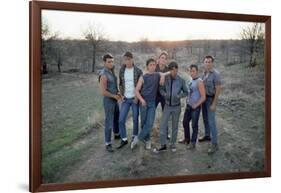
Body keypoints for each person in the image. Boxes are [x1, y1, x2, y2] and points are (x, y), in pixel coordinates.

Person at [131, 58, 170, 150]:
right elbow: (136, 91)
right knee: (144, 123)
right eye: (150, 65)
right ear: (147, 66)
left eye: (154, 65)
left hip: (152, 103)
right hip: (143, 102)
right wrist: (141, 100)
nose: (152, 67)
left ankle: (137, 138)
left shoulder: (157, 75)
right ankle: (147, 140)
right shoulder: (143, 77)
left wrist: (163, 76)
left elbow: (167, 73)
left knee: (150, 123)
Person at [153, 61, 188, 153]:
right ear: (169, 70)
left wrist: (179, 96)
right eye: (172, 71)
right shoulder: (166, 79)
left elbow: (186, 92)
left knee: (175, 126)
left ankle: (173, 144)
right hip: (167, 106)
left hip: (177, 107)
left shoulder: (181, 80)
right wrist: (165, 94)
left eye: (176, 71)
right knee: (163, 125)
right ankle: (163, 145)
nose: (174, 73)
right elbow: (161, 89)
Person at [117, 52, 143, 149]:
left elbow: (141, 86)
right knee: (121, 120)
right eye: (125, 59)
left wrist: (137, 97)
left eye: (128, 59)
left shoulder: (138, 71)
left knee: (135, 119)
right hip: (126, 99)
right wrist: (122, 95)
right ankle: (124, 139)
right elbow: (120, 83)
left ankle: (134, 137)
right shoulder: (122, 70)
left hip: (134, 99)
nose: (127, 61)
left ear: (132, 59)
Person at [198, 55, 222, 154]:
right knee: (205, 119)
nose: (207, 63)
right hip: (204, 99)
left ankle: (215, 144)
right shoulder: (204, 74)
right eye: (206, 61)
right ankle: (207, 136)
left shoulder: (216, 74)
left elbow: (218, 89)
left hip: (211, 100)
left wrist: (214, 103)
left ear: (212, 63)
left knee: (211, 121)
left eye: (209, 61)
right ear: (204, 63)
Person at [98, 53, 121, 152]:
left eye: (112, 61)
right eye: (109, 62)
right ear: (104, 62)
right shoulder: (103, 74)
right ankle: (108, 143)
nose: (111, 63)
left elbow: (114, 85)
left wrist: (118, 92)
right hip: (108, 101)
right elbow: (103, 92)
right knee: (109, 122)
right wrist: (113, 96)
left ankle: (116, 134)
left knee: (117, 117)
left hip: (115, 99)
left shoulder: (111, 70)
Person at [181, 64, 206, 149]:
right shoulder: (191, 80)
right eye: (190, 71)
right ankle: (187, 139)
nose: (192, 73)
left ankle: (193, 143)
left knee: (194, 125)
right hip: (188, 106)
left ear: (197, 71)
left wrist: (196, 105)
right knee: (185, 122)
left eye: (193, 71)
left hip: (195, 107)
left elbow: (203, 97)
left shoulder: (199, 82)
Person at [155, 51, 171, 140]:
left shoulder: (167, 69)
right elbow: (149, 72)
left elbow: (173, 71)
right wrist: (160, 74)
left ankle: (166, 133)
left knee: (165, 114)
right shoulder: (155, 67)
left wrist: (164, 74)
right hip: (155, 95)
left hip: (164, 95)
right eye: (162, 58)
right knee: (150, 113)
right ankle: (147, 132)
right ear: (158, 59)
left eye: (165, 58)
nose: (163, 60)